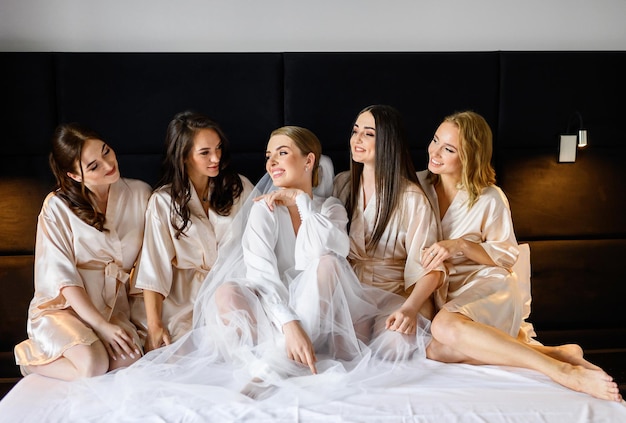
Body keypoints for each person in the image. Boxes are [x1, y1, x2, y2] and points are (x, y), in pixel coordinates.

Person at [418, 110, 622, 402]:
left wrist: (461, 245)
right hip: (446, 292)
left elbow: (504, 257)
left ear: (470, 156)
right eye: (435, 140)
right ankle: (554, 352)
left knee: (442, 327)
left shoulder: (490, 198)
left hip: (487, 285)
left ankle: (561, 371)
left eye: (448, 149)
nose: (434, 152)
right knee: (432, 350)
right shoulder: (418, 186)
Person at [206, 125, 378, 380]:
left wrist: (302, 202)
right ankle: (283, 351)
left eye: (282, 152)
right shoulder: (264, 209)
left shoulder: (331, 208)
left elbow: (331, 250)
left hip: (322, 315)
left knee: (329, 262)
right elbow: (260, 275)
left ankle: (278, 362)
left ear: (309, 160)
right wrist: (289, 323)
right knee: (226, 292)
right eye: (268, 156)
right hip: (273, 313)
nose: (271, 162)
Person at [14, 123, 151, 380]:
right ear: (74, 176)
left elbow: (148, 265)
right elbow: (63, 279)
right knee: (92, 365)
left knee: (130, 361)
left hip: (113, 307)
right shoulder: (56, 207)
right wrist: (102, 327)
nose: (108, 165)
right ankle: (31, 361)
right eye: (93, 166)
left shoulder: (140, 194)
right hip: (63, 309)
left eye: (106, 152)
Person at [130, 111, 253, 352]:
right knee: (182, 356)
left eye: (218, 148)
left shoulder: (240, 187)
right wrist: (155, 325)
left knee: (240, 347)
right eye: (205, 152)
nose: (216, 158)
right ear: (184, 156)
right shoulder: (163, 202)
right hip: (184, 300)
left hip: (233, 288)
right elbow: (153, 267)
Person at [333, 104, 445, 360]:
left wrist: (410, 309)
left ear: (388, 141)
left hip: (398, 294)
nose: (357, 139)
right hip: (353, 290)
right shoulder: (342, 184)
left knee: (394, 345)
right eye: (355, 131)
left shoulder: (411, 197)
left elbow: (431, 269)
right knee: (344, 352)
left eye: (369, 134)